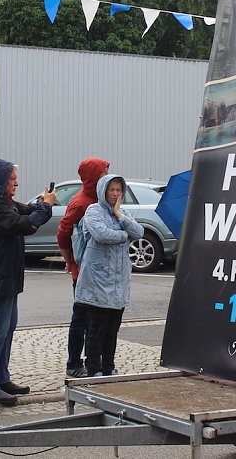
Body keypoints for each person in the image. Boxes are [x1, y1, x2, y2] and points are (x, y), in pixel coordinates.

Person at [0, 159, 56, 406]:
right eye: (11, 178)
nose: (16, 183)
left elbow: (27, 211)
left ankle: (2, 378)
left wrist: (43, 204)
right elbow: (24, 225)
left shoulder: (4, 203)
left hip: (7, 276)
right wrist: (43, 208)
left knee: (8, 328)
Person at [75, 174, 144, 377]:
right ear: (103, 191)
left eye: (118, 190)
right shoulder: (93, 210)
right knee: (96, 327)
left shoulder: (123, 212)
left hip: (118, 280)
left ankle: (109, 365)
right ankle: (94, 367)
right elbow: (102, 234)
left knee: (113, 328)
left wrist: (120, 216)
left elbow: (139, 232)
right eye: (111, 190)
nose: (115, 194)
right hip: (98, 280)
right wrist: (124, 235)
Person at [56, 157, 110, 378]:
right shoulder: (81, 203)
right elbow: (63, 232)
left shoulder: (101, 199)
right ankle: (74, 363)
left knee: (97, 320)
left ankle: (93, 363)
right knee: (81, 318)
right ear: (94, 176)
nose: (107, 175)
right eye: (104, 172)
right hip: (84, 271)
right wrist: (70, 260)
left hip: (100, 270)